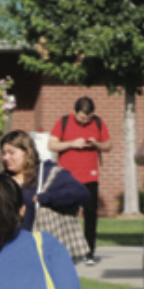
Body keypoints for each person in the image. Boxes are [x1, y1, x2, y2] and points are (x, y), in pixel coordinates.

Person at [0, 129, 89, 260]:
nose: (5, 157)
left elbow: (81, 193)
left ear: (27, 152)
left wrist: (47, 198)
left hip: (43, 252)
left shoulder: (48, 173)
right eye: (4, 153)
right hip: (8, 250)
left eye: (11, 153)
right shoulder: (1, 179)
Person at [48, 97, 112, 265]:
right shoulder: (63, 121)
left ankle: (89, 252)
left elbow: (108, 145)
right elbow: (52, 145)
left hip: (90, 177)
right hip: (67, 177)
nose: (85, 121)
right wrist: (72, 144)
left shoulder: (98, 123)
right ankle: (68, 251)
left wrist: (96, 144)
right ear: (75, 112)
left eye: (88, 118)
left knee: (91, 214)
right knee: (68, 215)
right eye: (82, 117)